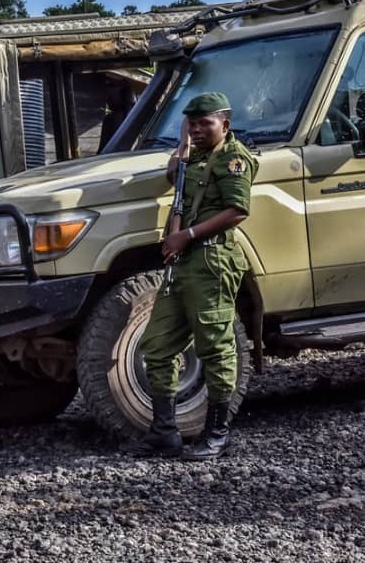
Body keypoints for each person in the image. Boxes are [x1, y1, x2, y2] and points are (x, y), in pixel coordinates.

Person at [134, 92, 258, 459]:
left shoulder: (234, 159)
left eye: (206, 123)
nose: (198, 128)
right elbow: (176, 177)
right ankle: (164, 432)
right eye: (192, 122)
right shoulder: (193, 157)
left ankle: (216, 433)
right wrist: (181, 148)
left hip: (212, 260)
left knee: (215, 347)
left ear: (225, 124)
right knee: (156, 346)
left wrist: (185, 235)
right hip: (184, 264)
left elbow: (238, 209)